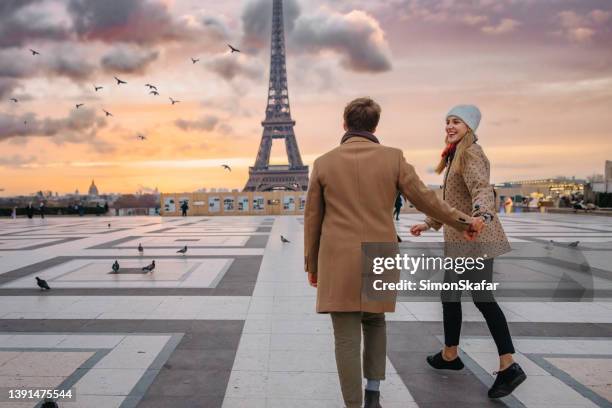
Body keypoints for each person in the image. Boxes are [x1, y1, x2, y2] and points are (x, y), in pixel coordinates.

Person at [304, 98, 484, 408]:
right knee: (375, 322)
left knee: (345, 336)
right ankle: (374, 394)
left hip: (338, 259)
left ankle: (353, 405)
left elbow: (312, 219)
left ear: (344, 124)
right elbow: (428, 200)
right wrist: (463, 220)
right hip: (379, 254)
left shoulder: (324, 163)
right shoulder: (393, 158)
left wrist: (312, 264)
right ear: (375, 126)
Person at [410, 104, 526, 398]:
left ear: (470, 126)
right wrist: (429, 222)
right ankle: (450, 354)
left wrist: (482, 216)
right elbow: (453, 202)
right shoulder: (455, 155)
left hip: (474, 240)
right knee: (451, 297)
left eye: (456, 122)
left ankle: (508, 364)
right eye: (447, 121)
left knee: (482, 300)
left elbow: (481, 190)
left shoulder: (471, 153)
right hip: (463, 241)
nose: (449, 126)